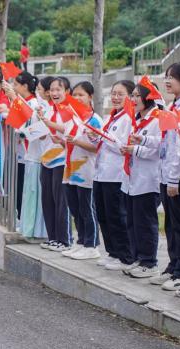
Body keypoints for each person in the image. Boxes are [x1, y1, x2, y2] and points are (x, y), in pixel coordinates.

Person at [120, 80, 163, 278]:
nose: (133, 99)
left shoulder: (157, 120)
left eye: (137, 95)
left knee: (146, 223)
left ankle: (149, 262)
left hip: (149, 180)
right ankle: (138, 258)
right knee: (133, 221)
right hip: (133, 179)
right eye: (133, 95)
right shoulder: (137, 119)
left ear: (148, 97)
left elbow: (158, 150)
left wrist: (135, 149)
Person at [93, 80, 136, 271]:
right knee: (103, 214)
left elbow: (122, 147)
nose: (116, 98)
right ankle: (112, 251)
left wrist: (103, 137)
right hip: (102, 173)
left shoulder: (128, 118)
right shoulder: (113, 118)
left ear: (130, 97)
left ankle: (124, 255)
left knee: (116, 216)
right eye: (113, 93)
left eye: (121, 94)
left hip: (115, 174)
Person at [152, 62, 180, 294]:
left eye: (171, 77)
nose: (166, 81)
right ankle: (174, 265)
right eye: (165, 76)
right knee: (171, 224)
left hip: (178, 175)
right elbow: (166, 143)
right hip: (167, 173)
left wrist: (174, 178)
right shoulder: (173, 106)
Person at [60, 82, 102, 260]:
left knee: (87, 208)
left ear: (90, 97)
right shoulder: (73, 118)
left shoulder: (94, 119)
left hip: (86, 170)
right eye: (74, 95)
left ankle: (91, 245)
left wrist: (76, 142)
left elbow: (97, 147)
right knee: (75, 207)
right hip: (70, 168)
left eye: (81, 95)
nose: (77, 98)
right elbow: (69, 141)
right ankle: (81, 241)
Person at [3, 72, 47, 239]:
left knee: (30, 192)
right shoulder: (26, 102)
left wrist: (14, 100)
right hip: (25, 155)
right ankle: (26, 224)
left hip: (33, 155)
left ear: (25, 86)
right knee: (24, 191)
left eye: (16, 84)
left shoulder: (34, 104)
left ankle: (31, 227)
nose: (14, 87)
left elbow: (29, 125)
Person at [37, 76, 73, 252]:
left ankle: (64, 239)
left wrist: (47, 123)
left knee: (61, 202)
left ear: (67, 91)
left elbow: (67, 129)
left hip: (62, 159)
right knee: (48, 200)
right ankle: (53, 237)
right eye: (52, 90)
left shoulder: (69, 110)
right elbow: (45, 132)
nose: (55, 93)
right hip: (46, 159)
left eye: (59, 89)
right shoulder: (49, 109)